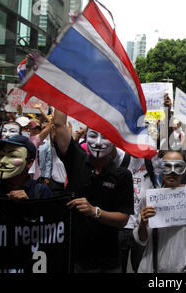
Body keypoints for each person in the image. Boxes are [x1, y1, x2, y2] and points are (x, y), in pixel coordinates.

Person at [53, 109, 134, 273]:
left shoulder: (122, 175)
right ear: (85, 137)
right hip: (76, 258)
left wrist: (95, 212)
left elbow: (123, 218)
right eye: (93, 136)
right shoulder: (76, 159)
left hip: (108, 261)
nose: (98, 142)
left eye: (105, 137)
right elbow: (59, 124)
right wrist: (64, 85)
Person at [134, 150, 186, 273]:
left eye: (178, 166)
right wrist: (143, 223)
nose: (172, 172)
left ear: (184, 169)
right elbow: (142, 240)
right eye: (167, 166)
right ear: (159, 168)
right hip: (151, 268)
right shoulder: (149, 199)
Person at [0, 117, 52, 201]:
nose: (3, 161)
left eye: (12, 156)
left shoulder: (40, 191)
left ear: (29, 163)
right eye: (2, 155)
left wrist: (29, 205)